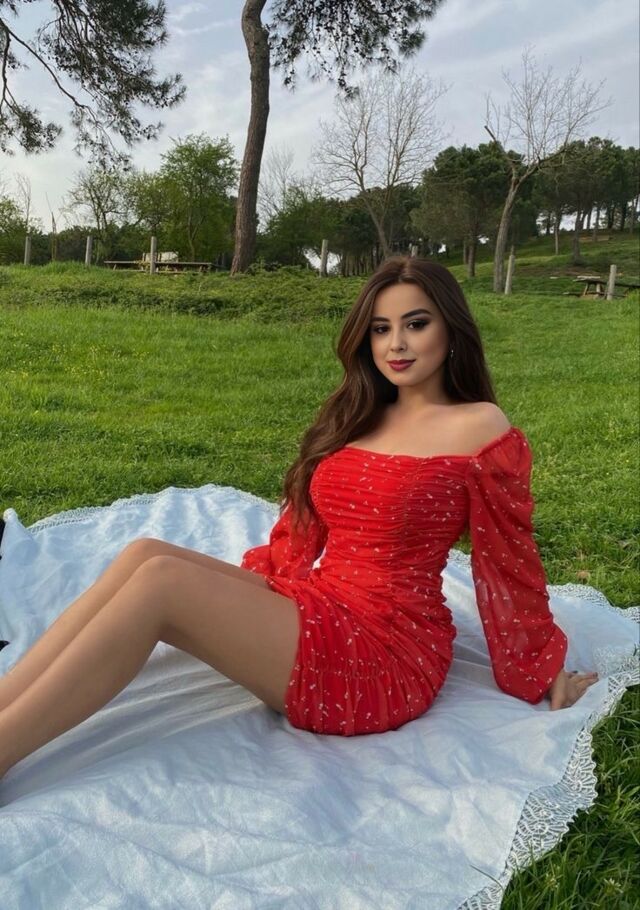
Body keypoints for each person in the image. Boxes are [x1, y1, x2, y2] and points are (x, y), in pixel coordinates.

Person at [0, 257, 598, 776]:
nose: (396, 344)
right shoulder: (361, 414)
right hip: (324, 600)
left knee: (162, 583)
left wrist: (537, 665)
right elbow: (306, 522)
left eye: (416, 324)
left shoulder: (479, 426)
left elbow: (508, 557)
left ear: (450, 328)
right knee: (144, 553)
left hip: (385, 652)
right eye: (381, 329)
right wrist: (258, 593)